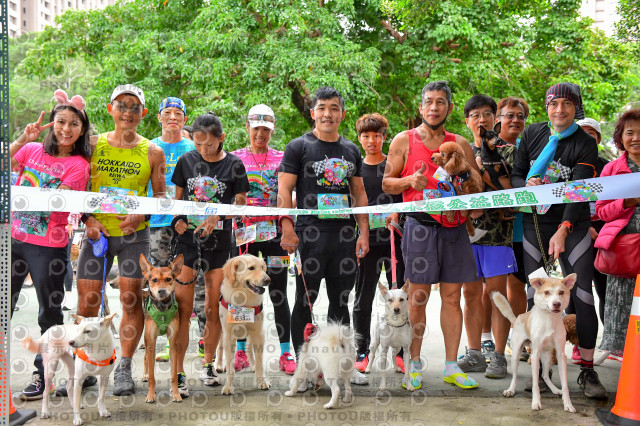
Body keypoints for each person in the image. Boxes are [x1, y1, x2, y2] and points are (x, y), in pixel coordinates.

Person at [382, 80, 481, 390]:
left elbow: (476, 185)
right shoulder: (403, 140)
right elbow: (386, 183)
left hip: (454, 228)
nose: (434, 107)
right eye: (429, 102)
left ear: (449, 108)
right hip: (420, 227)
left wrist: (464, 175)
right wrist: (410, 180)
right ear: (420, 107)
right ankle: (414, 365)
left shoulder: (460, 142)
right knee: (419, 298)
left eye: (441, 102)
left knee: (452, 299)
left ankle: (451, 366)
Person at [511, 82, 606, 399]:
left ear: (575, 108)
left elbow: (580, 191)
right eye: (554, 104)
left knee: (582, 296)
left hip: (573, 223)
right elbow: (516, 174)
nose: (560, 110)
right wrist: (528, 183)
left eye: (567, 104)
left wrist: (565, 227)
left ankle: (588, 371)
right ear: (547, 107)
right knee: (533, 294)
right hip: (535, 223)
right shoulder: (533, 134)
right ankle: (539, 371)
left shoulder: (584, 143)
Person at [76, 84, 166, 396]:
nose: (128, 112)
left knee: (130, 300)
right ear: (110, 109)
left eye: (134, 107)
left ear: (142, 113)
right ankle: (86, 366)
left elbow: (161, 195)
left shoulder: (154, 151)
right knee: (87, 302)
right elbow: (78, 185)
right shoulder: (91, 144)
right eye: (121, 105)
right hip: (97, 234)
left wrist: (142, 217)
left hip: (134, 236)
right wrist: (88, 219)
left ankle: (124, 367)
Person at [278, 86, 370, 387]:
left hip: (344, 237)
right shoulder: (298, 147)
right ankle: (305, 371)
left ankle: (343, 367)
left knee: (341, 303)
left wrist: (363, 232)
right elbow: (284, 190)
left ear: (342, 114)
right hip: (309, 236)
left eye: (333, 108)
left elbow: (358, 193)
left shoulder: (351, 149)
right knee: (305, 301)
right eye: (321, 108)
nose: (327, 114)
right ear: (313, 112)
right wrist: (287, 227)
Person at [11, 90, 91, 400]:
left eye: (74, 124)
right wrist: (24, 136)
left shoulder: (78, 166)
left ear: (82, 130)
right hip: (14, 240)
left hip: (49, 246)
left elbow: (58, 203)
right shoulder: (30, 149)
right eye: (61, 121)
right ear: (52, 123)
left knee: (49, 313)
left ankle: (43, 374)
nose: (66, 128)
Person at [171, 112, 249, 388]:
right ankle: (178, 372)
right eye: (197, 144)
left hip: (219, 243)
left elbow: (241, 203)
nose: (202, 150)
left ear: (221, 139)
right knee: (183, 308)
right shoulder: (185, 161)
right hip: (187, 243)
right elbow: (177, 202)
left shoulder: (235, 164)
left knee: (214, 307)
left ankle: (208, 366)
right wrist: (177, 221)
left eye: (209, 144)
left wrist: (221, 215)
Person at [231, 104, 296, 375]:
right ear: (247, 127)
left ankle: (285, 352)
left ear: (272, 130)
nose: (260, 133)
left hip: (274, 234)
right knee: (243, 293)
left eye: (266, 129)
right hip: (243, 233)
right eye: (256, 128)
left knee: (278, 291)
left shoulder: (282, 159)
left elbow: (286, 196)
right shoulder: (234, 158)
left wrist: (288, 227)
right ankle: (241, 351)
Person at [457, 95, 517, 380]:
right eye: (475, 115)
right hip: (467, 233)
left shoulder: (507, 149)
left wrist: (481, 169)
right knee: (470, 294)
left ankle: (500, 356)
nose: (481, 120)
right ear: (467, 121)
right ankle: (474, 353)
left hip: (497, 232)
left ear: (496, 118)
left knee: (496, 295)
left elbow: (511, 186)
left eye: (487, 114)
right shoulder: (459, 149)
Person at [145, 97, 195, 392]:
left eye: (179, 113)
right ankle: (154, 351)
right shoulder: (150, 146)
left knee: (189, 296)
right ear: (160, 119)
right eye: (168, 113)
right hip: (157, 224)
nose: (173, 117)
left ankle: (182, 368)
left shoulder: (191, 148)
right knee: (158, 290)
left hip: (186, 225)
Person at [351, 113, 405, 373]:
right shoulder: (355, 168)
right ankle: (362, 351)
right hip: (366, 242)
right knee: (363, 297)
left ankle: (403, 353)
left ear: (385, 137)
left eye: (377, 135)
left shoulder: (394, 165)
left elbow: (407, 195)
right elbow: (352, 203)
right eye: (366, 136)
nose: (371, 140)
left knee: (402, 297)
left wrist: (398, 212)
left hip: (396, 239)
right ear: (359, 138)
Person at [595, 109, 640, 362]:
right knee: (620, 303)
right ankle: (624, 357)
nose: (636, 138)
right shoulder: (612, 169)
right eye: (630, 132)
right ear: (620, 137)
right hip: (624, 248)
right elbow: (602, 212)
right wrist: (628, 201)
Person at [570, 117, 609, 361]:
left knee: (604, 289)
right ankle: (577, 342)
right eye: (581, 133)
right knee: (577, 291)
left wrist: (600, 229)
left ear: (598, 139)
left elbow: (615, 204)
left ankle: (610, 343)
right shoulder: (567, 166)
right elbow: (566, 202)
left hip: (606, 235)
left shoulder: (609, 167)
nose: (586, 138)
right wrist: (583, 225)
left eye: (591, 134)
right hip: (576, 230)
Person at [496, 97, 530, 362]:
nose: (515, 120)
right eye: (509, 115)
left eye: (520, 116)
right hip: (492, 231)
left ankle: (522, 337)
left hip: (524, 228)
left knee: (519, 285)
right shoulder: (487, 147)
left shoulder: (530, 148)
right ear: (498, 118)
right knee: (492, 290)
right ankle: (491, 344)